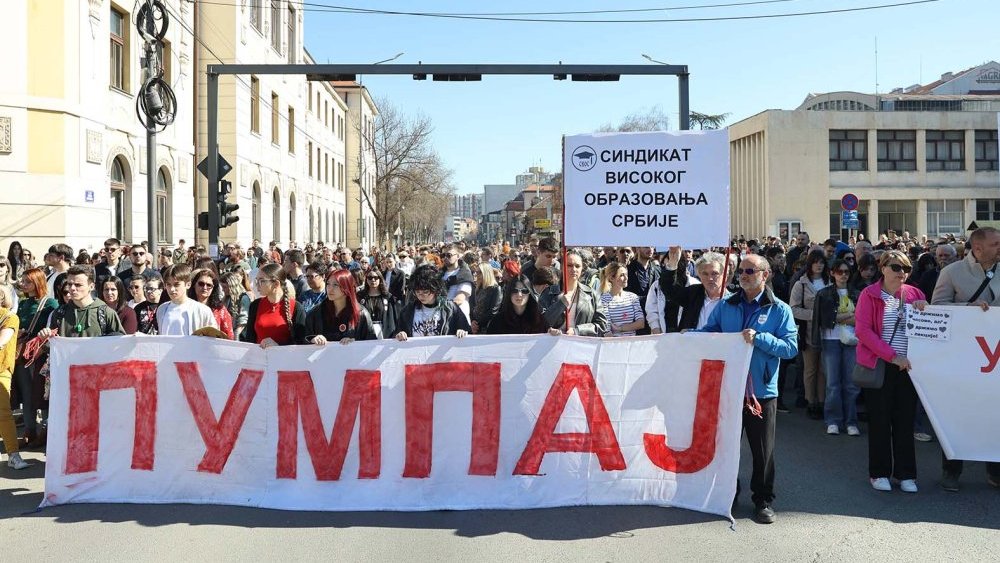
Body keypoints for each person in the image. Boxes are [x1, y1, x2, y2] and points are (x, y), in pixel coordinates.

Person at [695, 254, 798, 524]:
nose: (743, 274)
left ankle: (763, 499)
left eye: (750, 270)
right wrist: (685, 337)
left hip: (761, 392)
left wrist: (760, 338)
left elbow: (790, 348)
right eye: (741, 270)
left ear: (765, 275)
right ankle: (729, 493)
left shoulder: (780, 310)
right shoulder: (726, 305)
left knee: (762, 450)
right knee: (726, 447)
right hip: (729, 389)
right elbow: (710, 333)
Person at [931, 226, 1000, 491]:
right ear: (978, 248)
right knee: (956, 413)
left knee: (995, 413)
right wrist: (966, 310)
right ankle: (951, 470)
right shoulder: (952, 272)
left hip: (994, 358)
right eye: (995, 244)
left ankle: (995, 471)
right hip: (962, 358)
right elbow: (937, 307)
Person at [855, 250, 927, 493]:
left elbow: (928, 328)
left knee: (905, 421)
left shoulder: (915, 294)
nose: (901, 273)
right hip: (881, 365)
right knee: (880, 421)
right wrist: (892, 356)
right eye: (896, 267)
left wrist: (925, 308)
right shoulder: (869, 294)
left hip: (908, 367)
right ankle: (879, 472)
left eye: (906, 268)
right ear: (883, 268)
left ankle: (906, 474)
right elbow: (864, 331)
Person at [811, 259, 861, 436]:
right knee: (832, 383)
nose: (843, 275)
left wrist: (840, 317)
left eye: (846, 272)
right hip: (830, 340)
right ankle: (832, 420)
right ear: (832, 273)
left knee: (851, 384)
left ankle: (851, 421)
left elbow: (861, 319)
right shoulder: (824, 294)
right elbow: (824, 320)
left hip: (852, 340)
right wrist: (848, 315)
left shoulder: (857, 292)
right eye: (840, 271)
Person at [13, 268, 57, 448]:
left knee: (43, 394)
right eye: (22, 280)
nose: (23, 284)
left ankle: (45, 431)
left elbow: (53, 326)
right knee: (26, 393)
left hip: (41, 353)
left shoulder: (50, 303)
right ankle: (29, 430)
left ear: (38, 282)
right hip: (23, 353)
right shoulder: (23, 303)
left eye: (27, 281)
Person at [790, 250, 829, 420]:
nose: (819, 265)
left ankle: (822, 401)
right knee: (810, 369)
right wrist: (815, 315)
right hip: (809, 332)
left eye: (821, 262)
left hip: (828, 331)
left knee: (823, 369)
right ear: (810, 264)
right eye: (815, 262)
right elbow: (793, 309)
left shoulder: (829, 281)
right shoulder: (801, 284)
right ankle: (811, 401)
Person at [650, 248, 728, 333]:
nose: (710, 278)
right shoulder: (693, 294)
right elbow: (669, 290)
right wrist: (672, 265)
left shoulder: (732, 302)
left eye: (715, 273)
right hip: (691, 341)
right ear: (699, 276)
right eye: (705, 274)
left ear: (725, 275)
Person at [38, 265, 125, 339]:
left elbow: (120, 344)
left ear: (91, 287)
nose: (72, 288)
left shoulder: (106, 313)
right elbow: (51, 347)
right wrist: (44, 338)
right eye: (69, 284)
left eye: (78, 285)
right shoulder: (59, 314)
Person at [540, 250, 608, 337]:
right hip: (554, 343)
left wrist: (577, 331)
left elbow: (601, 325)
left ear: (582, 269)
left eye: (577, 266)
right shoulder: (548, 293)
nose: (574, 269)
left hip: (580, 343)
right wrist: (560, 304)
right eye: (569, 265)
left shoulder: (591, 294)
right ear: (562, 267)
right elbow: (541, 323)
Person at [393, 265, 471, 341]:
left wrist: (462, 332)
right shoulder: (407, 311)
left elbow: (467, 331)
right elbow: (397, 333)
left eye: (425, 292)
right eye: (417, 292)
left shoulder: (451, 309)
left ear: (435, 290)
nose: (421, 295)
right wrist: (400, 334)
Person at [241, 263, 306, 347]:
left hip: (284, 355)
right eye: (256, 280)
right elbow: (249, 338)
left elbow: (301, 342)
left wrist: (278, 346)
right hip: (258, 355)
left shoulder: (296, 307)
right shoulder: (255, 305)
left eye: (262, 281)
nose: (256, 284)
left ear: (276, 284)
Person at [305, 269, 376, 345]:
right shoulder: (316, 313)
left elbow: (371, 343)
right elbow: (304, 339)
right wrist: (313, 339)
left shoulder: (361, 313)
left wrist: (354, 342)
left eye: (335, 285)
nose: (330, 289)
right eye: (328, 284)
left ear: (347, 287)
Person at [0, 288, 29, 469]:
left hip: (1, 370)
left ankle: (13, 455)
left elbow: (3, 340)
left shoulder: (10, 317)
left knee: (3, 413)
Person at [155, 264, 218, 336]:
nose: (172, 289)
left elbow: (213, 338)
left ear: (188, 285)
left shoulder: (202, 310)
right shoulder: (162, 309)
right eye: (168, 284)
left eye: (176, 285)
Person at [485, 274, 550, 335]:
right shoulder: (497, 321)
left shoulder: (539, 320)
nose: (519, 295)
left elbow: (547, 338)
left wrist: (553, 334)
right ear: (509, 293)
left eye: (524, 291)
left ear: (530, 293)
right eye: (514, 290)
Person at [600, 263, 645, 337]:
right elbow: (607, 329)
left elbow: (641, 323)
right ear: (612, 278)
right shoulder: (604, 299)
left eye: (626, 274)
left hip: (631, 342)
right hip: (614, 342)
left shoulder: (633, 297)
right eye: (622, 275)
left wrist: (620, 328)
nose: (626, 278)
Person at [188, 269, 234, 339]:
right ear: (194, 285)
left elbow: (229, 336)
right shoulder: (186, 307)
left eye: (209, 285)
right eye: (201, 284)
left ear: (213, 288)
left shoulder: (220, 310)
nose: (205, 288)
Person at [358, 266, 398, 339]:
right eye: (370, 278)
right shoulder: (360, 296)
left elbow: (393, 318)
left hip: (383, 331)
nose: (373, 280)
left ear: (380, 279)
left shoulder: (388, 297)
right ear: (366, 280)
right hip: (365, 331)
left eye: (376, 278)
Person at [625, 247, 659, 334]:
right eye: (646, 246)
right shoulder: (627, 270)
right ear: (637, 248)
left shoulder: (658, 270)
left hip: (654, 319)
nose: (650, 249)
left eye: (652, 246)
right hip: (634, 320)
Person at [471, 263, 502, 334]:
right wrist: (473, 321)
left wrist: (478, 324)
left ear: (486, 273)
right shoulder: (478, 288)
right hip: (475, 327)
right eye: (476, 272)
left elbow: (493, 312)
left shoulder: (496, 289)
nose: (477, 275)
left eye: (480, 272)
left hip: (487, 328)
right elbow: (474, 307)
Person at [221, 271, 251, 340]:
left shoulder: (243, 298)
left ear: (231, 286)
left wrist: (235, 338)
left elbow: (242, 322)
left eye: (224, 287)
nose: (222, 290)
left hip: (240, 337)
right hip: (228, 335)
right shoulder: (227, 298)